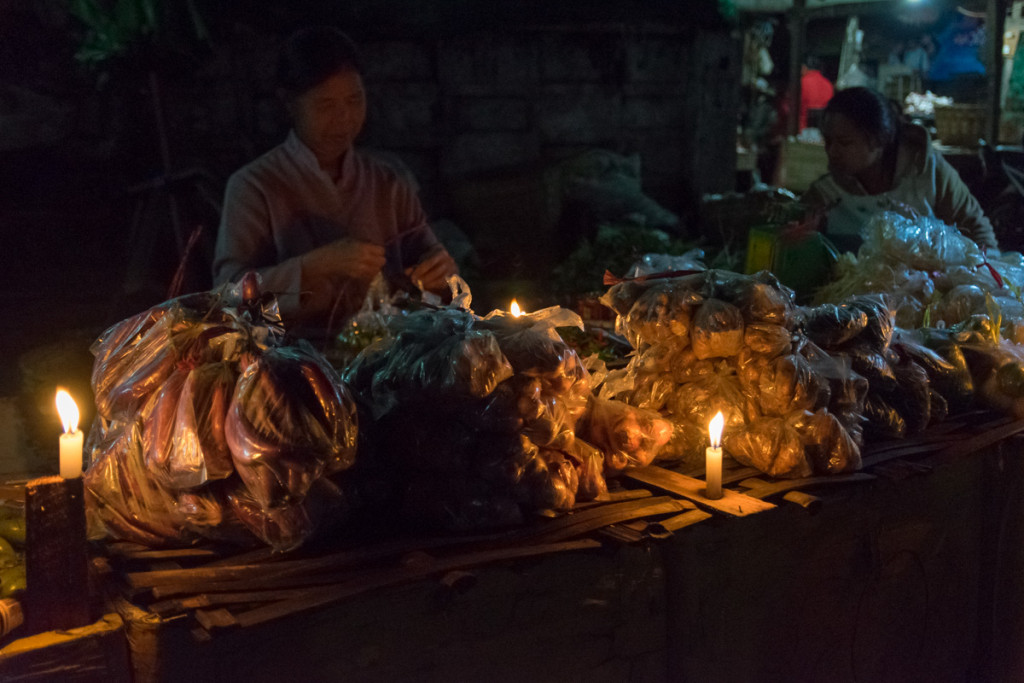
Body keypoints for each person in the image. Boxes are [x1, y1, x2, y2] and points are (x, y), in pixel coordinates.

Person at [213, 26, 457, 335]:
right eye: (326, 106)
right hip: (290, 363)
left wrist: (439, 270)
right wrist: (316, 265)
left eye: (355, 100)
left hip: (387, 358)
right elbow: (227, 294)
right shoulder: (254, 186)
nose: (344, 119)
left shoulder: (389, 181)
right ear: (289, 103)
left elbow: (433, 261)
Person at [801, 86, 998, 253]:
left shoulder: (929, 173)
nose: (832, 151)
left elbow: (977, 230)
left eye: (844, 143)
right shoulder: (824, 194)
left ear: (878, 140)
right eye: (828, 141)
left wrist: (985, 277)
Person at [800, 54, 834, 131]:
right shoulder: (828, 84)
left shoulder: (801, 83)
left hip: (803, 130)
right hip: (823, 130)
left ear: (804, 67)